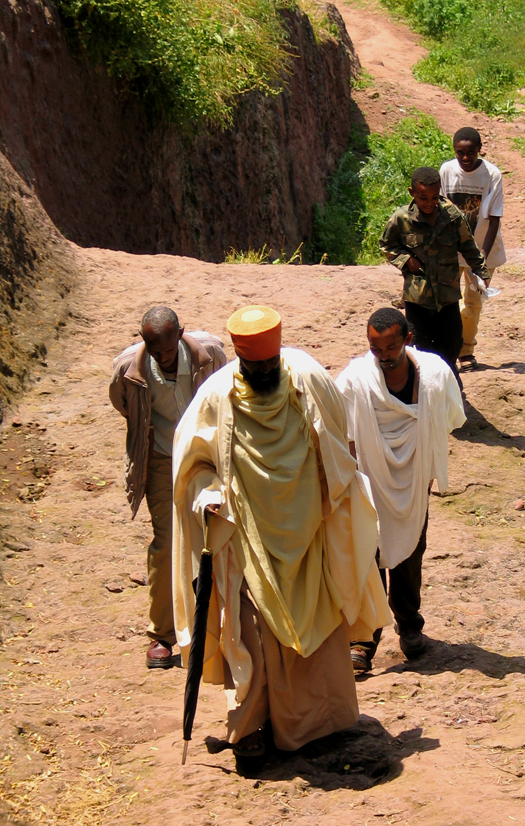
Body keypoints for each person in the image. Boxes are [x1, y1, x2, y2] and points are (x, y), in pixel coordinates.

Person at [172, 305, 390, 765]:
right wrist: (208, 495)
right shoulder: (215, 398)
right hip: (247, 535)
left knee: (319, 624)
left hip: (309, 532)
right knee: (250, 633)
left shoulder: (308, 378)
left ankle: (318, 724)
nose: (265, 371)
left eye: (271, 364)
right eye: (256, 366)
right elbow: (191, 467)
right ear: (240, 359)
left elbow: (337, 445)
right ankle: (248, 728)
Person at [336, 308, 465, 672]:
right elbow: (342, 433)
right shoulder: (355, 380)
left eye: (390, 347)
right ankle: (364, 638)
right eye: (376, 349)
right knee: (368, 554)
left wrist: (421, 466)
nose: (383, 356)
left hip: (414, 478)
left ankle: (409, 624)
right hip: (368, 481)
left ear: (408, 339)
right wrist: (356, 478)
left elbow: (448, 420)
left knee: (411, 552)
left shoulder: (436, 375)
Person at [109, 307, 226, 669]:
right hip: (161, 459)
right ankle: (161, 634)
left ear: (181, 334)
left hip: (208, 457)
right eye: (154, 351)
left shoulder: (211, 355)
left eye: (167, 350)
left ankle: (221, 627)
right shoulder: (128, 368)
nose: (161, 357)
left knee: (220, 534)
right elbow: (123, 405)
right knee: (166, 543)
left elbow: (228, 396)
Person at [380, 166, 489, 384]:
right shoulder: (402, 219)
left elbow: (468, 246)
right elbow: (386, 245)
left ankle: (449, 391)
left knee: (450, 347)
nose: (429, 203)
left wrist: (481, 272)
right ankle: (427, 393)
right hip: (417, 300)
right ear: (412, 193)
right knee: (421, 351)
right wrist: (406, 260)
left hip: (447, 298)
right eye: (423, 198)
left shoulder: (452, 216)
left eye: (434, 197)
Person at [440, 127, 506, 372]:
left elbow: (494, 219)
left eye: (471, 152)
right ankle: (446, 349)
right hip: (450, 248)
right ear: (454, 151)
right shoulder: (447, 171)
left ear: (479, 150)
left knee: (472, 303)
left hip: (482, 248)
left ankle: (466, 350)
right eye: (460, 153)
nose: (465, 158)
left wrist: (481, 261)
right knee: (446, 300)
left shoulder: (492, 175)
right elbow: (439, 210)